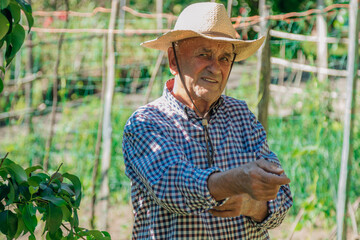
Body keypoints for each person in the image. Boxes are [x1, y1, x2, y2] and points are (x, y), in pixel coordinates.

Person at [122, 2, 292, 239]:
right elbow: (172, 187)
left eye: (225, 58)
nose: (216, 68)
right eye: (204, 54)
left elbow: (282, 197)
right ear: (174, 60)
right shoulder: (147, 122)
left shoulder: (241, 115)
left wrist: (253, 206)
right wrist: (234, 181)